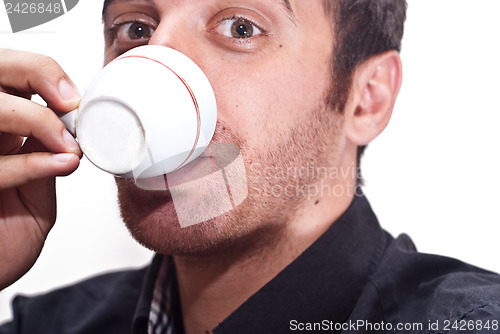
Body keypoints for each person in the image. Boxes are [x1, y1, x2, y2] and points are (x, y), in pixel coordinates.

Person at [1, 0, 500, 333]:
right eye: (135, 30)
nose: (154, 65)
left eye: (241, 28)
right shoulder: (43, 325)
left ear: (366, 99)